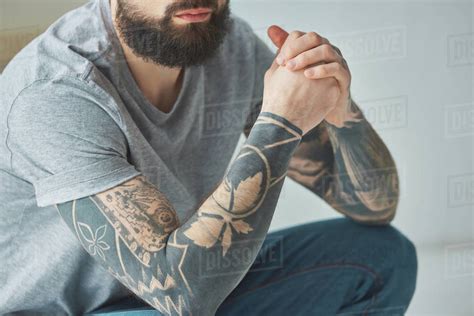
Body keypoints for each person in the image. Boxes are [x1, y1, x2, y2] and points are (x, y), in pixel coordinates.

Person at [0, 0, 417, 315]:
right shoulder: (56, 91)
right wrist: (281, 122)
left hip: (170, 292)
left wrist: (343, 114)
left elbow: (375, 205)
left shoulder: (230, 47)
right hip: (74, 309)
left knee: (380, 256)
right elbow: (180, 294)